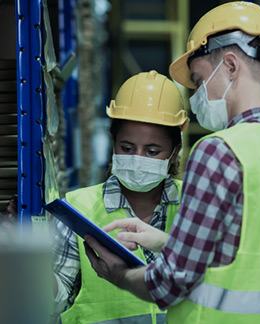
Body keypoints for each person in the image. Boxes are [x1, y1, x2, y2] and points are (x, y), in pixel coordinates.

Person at [82, 2, 260, 324]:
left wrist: (118, 272)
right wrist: (168, 242)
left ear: (230, 66)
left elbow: (169, 284)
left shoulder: (219, 151)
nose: (195, 97)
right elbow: (253, 259)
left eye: (198, 80)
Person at [52, 70, 189, 324]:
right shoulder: (77, 210)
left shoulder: (196, 204)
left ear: (174, 151)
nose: (137, 159)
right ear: (113, 144)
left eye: (152, 151)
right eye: (127, 148)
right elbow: (52, 302)